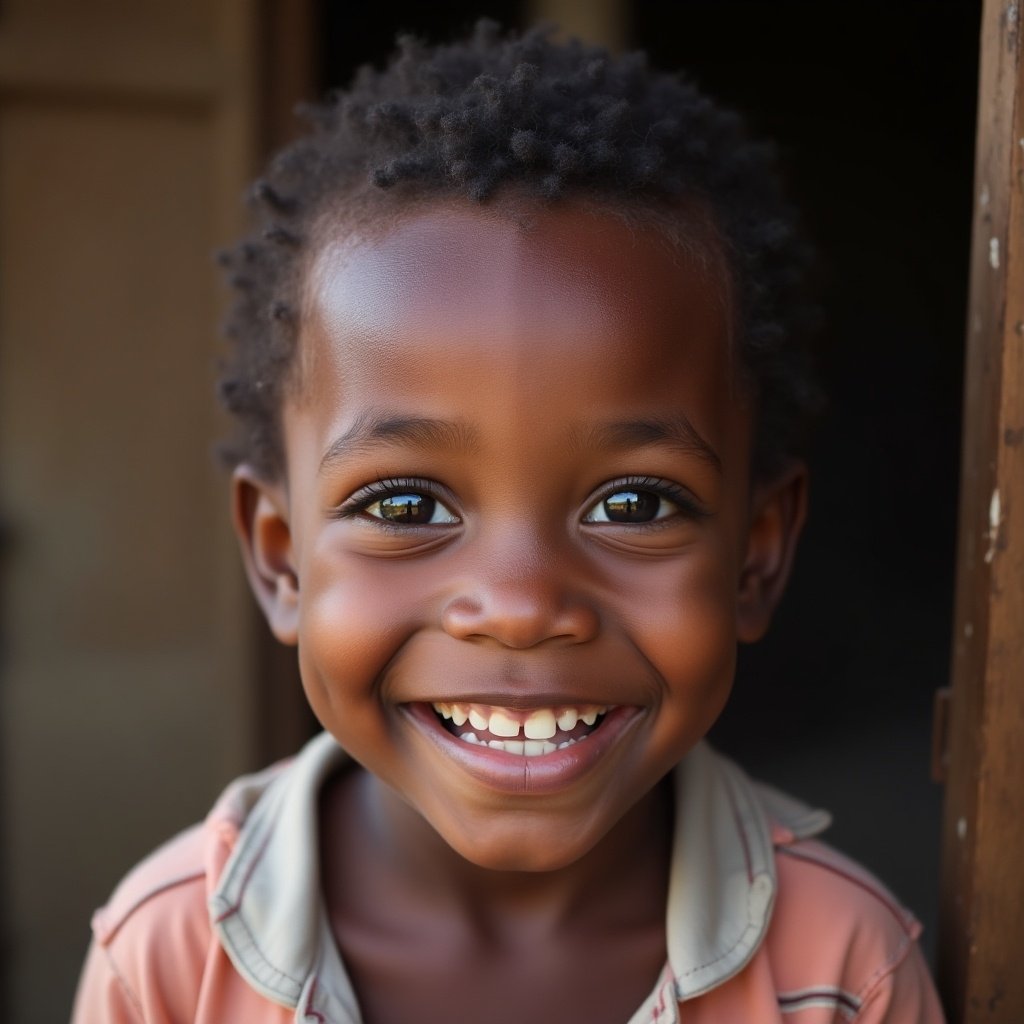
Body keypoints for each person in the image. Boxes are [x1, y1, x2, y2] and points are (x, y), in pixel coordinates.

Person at [71, 22, 945, 1024]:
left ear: (755, 554)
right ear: (281, 560)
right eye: (406, 506)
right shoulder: (174, 964)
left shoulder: (839, 970)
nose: (522, 608)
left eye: (634, 503)